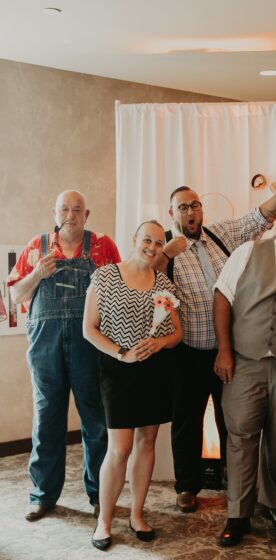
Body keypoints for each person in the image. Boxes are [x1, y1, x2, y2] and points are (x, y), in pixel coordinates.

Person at [155, 166, 276, 514]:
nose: (191, 212)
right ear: (171, 213)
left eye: (195, 205)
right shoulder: (164, 246)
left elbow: (259, 218)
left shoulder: (221, 234)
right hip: (188, 351)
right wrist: (165, 255)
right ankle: (187, 487)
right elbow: (147, 284)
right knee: (187, 421)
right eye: (183, 207)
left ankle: (231, 480)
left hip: (229, 349)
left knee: (232, 420)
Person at [7, 190, 120, 521]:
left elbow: (120, 288)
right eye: (64, 209)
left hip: (91, 345)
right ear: (54, 213)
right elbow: (15, 295)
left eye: (77, 209)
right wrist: (38, 274)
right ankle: (42, 495)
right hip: (46, 347)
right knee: (47, 421)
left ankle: (101, 494)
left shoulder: (103, 246)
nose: (70, 215)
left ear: (87, 214)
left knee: (96, 423)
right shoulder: (37, 247)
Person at [213, 200, 276, 547]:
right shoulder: (248, 251)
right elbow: (222, 298)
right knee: (241, 437)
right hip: (245, 361)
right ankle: (237, 515)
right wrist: (224, 351)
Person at [83, 220, 182, 550]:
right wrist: (122, 354)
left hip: (154, 371)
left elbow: (176, 334)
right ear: (134, 239)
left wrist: (160, 344)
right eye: (147, 240)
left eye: (158, 243)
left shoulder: (163, 284)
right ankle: (104, 520)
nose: (153, 248)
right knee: (119, 448)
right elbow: (89, 329)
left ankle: (137, 514)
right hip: (116, 370)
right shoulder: (106, 275)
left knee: (146, 442)